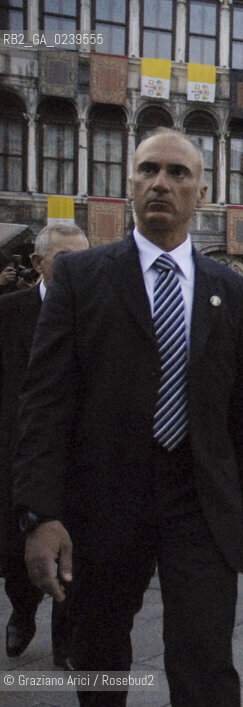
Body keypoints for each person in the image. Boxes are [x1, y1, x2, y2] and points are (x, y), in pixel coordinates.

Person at [13, 129, 243, 707]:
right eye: (148, 169)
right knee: (99, 654)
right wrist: (41, 514)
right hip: (104, 502)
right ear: (128, 183)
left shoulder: (231, 291)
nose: (162, 182)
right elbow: (45, 404)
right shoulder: (82, 279)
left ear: (201, 192)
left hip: (199, 502)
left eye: (178, 173)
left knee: (205, 657)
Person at [0, 223, 86, 667]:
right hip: (17, 454)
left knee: (73, 546)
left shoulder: (96, 312)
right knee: (16, 551)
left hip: (77, 457)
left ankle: (66, 637)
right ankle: (23, 608)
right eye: (63, 260)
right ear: (37, 263)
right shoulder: (9, 313)